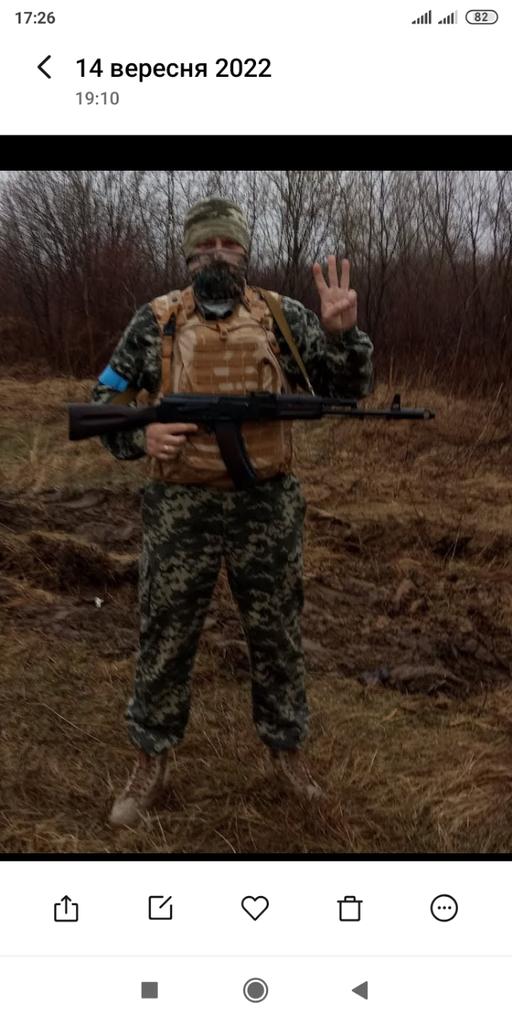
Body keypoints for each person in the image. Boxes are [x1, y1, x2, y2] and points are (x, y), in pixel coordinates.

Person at [90, 197, 374, 827]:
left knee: (276, 634)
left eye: (229, 244)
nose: (217, 255)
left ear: (245, 252)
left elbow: (348, 391)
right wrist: (141, 436)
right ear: (188, 254)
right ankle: (151, 758)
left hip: (265, 508)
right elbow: (102, 402)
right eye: (205, 245)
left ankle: (287, 752)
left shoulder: (282, 316)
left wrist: (342, 335)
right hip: (179, 510)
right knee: (165, 635)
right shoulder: (155, 320)